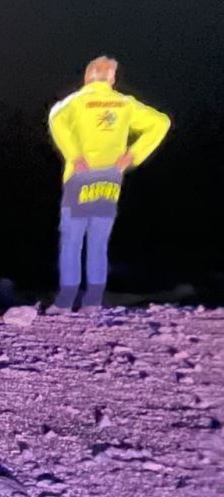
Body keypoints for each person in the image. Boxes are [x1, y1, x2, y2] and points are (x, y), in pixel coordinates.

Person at [46, 56, 170, 314]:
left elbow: (55, 118)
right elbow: (161, 122)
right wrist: (133, 155)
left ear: (87, 76)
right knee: (99, 241)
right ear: (112, 79)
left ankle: (66, 300)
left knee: (72, 238)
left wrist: (74, 154)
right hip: (111, 177)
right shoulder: (125, 104)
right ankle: (93, 301)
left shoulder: (76, 101)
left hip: (80, 174)